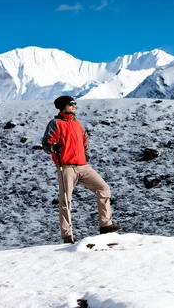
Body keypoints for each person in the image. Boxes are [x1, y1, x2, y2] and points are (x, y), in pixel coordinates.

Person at [42, 96, 121, 243]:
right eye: (71, 104)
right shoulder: (55, 124)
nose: (74, 106)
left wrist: (86, 156)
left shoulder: (78, 124)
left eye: (75, 104)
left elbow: (85, 141)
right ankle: (67, 236)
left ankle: (106, 225)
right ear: (63, 106)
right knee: (66, 201)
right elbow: (46, 143)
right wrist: (53, 148)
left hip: (83, 166)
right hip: (66, 167)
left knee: (103, 188)